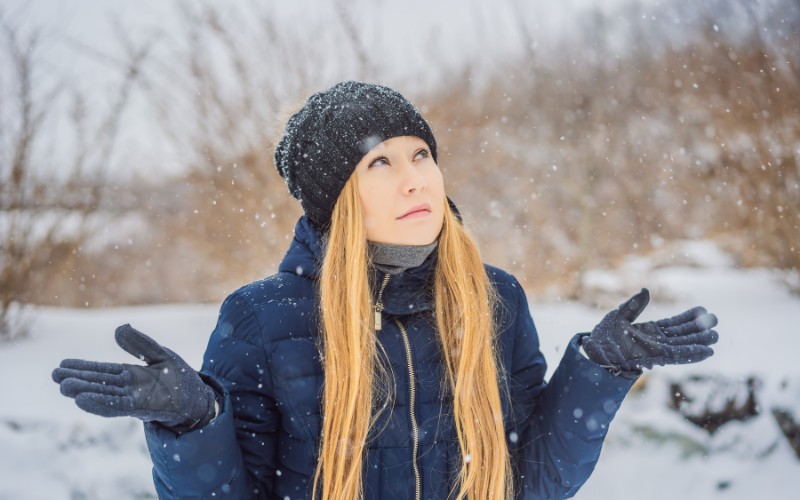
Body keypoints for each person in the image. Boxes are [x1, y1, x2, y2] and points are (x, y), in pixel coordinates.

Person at [52, 81, 719, 499]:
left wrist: (598, 372)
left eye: (421, 155)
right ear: (335, 198)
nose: (415, 179)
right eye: (381, 162)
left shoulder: (495, 301)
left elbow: (529, 484)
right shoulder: (262, 320)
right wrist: (194, 423)